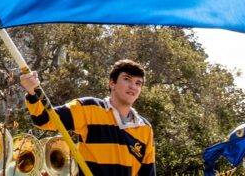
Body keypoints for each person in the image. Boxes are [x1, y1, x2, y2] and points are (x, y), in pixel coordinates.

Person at [20, 59, 156, 176]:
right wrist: (32, 92)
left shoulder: (144, 128)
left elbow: (148, 172)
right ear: (112, 83)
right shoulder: (88, 108)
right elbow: (44, 119)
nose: (133, 86)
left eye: (138, 83)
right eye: (127, 79)